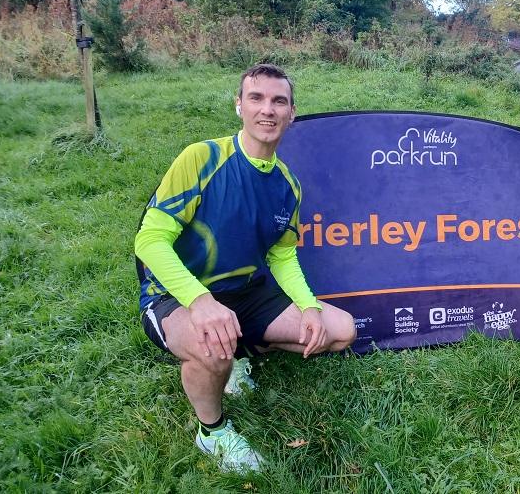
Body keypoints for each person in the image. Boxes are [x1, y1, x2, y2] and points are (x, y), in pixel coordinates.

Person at [135, 63, 356, 472]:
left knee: (340, 330)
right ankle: (213, 433)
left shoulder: (288, 184)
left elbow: (283, 256)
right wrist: (199, 301)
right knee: (209, 347)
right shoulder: (201, 157)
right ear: (239, 106)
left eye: (279, 101)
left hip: (246, 295)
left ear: (292, 113)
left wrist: (308, 307)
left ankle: (237, 357)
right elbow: (149, 241)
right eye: (256, 98)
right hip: (174, 295)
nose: (267, 110)